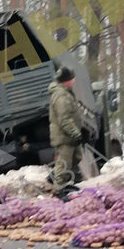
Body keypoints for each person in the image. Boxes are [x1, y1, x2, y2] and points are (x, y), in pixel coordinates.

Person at [48, 66, 83, 198]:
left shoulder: (66, 92)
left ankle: (58, 180)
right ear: (66, 80)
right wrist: (76, 134)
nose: (73, 80)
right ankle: (59, 190)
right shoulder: (61, 95)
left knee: (76, 158)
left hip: (68, 136)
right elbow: (64, 119)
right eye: (72, 78)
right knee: (65, 162)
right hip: (64, 136)